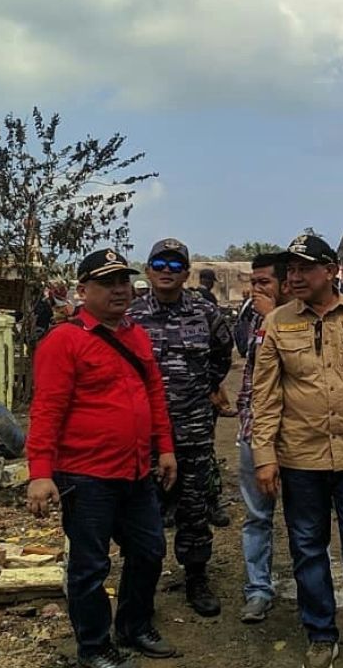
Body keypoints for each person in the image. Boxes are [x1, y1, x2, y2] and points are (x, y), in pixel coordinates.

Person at [252, 232, 343, 668]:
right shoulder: (276, 323)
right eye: (291, 270)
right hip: (300, 459)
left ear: (331, 271)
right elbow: (265, 397)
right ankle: (320, 633)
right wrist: (265, 457)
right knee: (308, 549)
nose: (294, 277)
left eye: (304, 269)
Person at [26, 249, 180, 668]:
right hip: (85, 475)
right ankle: (94, 646)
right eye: (107, 283)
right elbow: (46, 411)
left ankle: (134, 626)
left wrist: (164, 447)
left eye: (123, 282)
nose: (119, 290)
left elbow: (153, 396)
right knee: (90, 567)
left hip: (135, 470)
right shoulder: (64, 341)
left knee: (149, 550)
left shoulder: (135, 335)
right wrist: (40, 474)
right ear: (82, 290)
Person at [129, 238, 234, 617]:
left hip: (192, 429)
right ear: (148, 269)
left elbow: (223, 354)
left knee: (193, 508)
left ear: (186, 273)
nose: (167, 271)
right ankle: (143, 585)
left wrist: (203, 388)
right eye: (160, 263)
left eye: (176, 265)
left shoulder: (204, 312)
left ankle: (196, 578)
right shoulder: (132, 315)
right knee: (144, 511)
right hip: (144, 434)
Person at [236, 252, 292, 624]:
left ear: (284, 285)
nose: (255, 289)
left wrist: (272, 317)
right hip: (255, 432)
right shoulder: (254, 317)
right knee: (257, 516)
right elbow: (247, 366)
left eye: (263, 282)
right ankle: (258, 589)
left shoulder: (301, 320)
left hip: (298, 436)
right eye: (252, 282)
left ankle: (312, 588)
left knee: (305, 519)